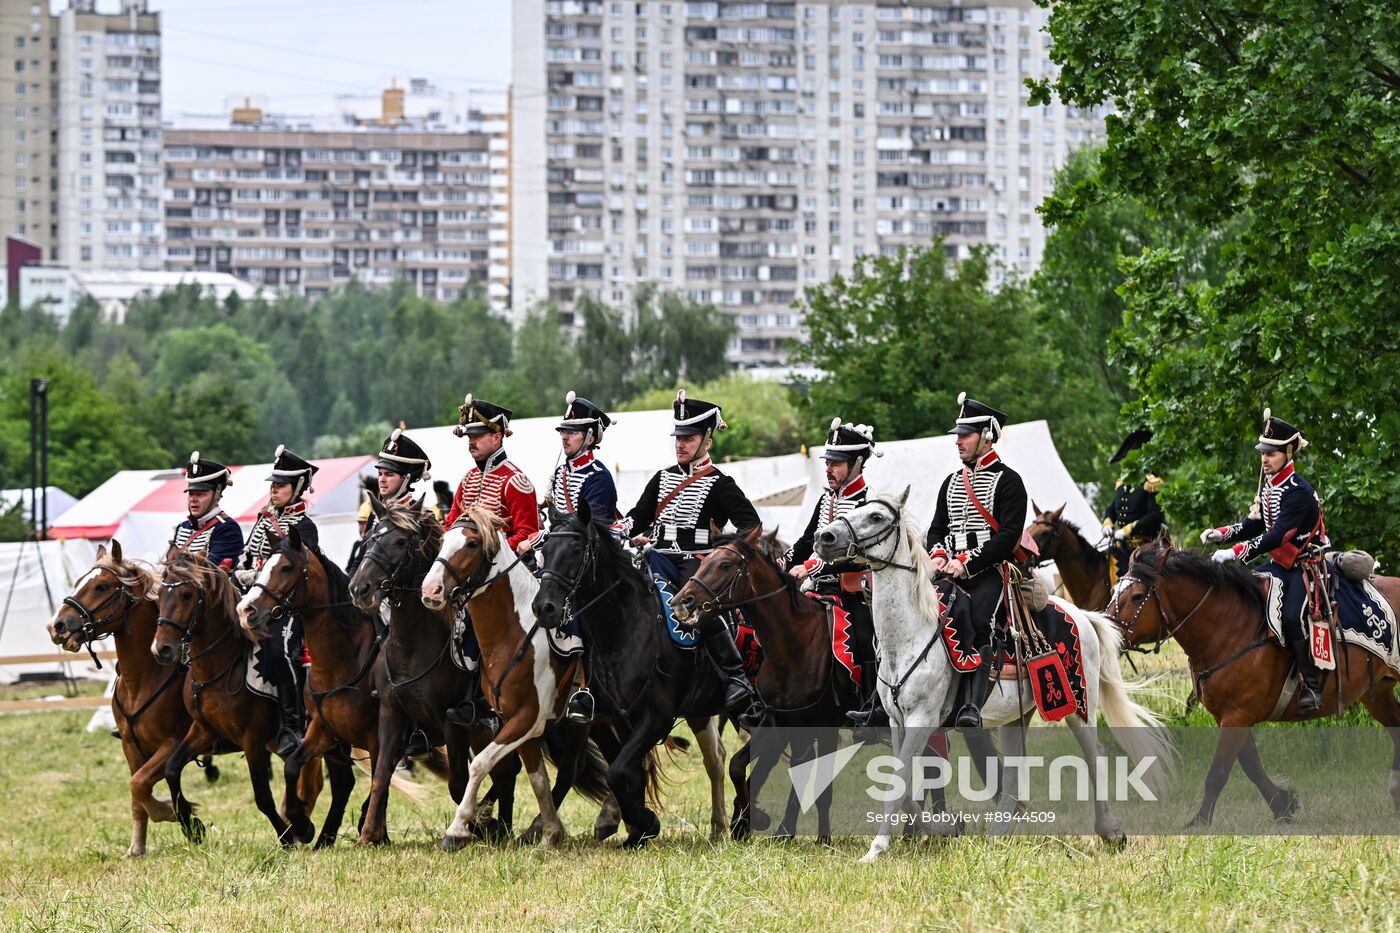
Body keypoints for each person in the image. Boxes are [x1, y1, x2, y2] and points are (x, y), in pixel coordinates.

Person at [620, 390, 761, 719]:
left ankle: (736, 676)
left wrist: (719, 551)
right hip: (656, 557)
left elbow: (750, 524)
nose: (680, 444)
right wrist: (617, 528)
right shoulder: (662, 477)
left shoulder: (719, 483)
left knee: (700, 604)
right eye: (678, 437)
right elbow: (637, 517)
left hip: (694, 563)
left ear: (707, 440)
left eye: (689, 437)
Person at [1203, 409, 1328, 714]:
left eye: (1271, 453)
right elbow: (1256, 524)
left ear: (1287, 452)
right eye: (1263, 453)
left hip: (1303, 564)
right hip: (1279, 564)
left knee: (1291, 619)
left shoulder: (1298, 491)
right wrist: (1222, 533)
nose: (1264, 459)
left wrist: (1236, 552)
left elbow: (1278, 536)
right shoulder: (1270, 485)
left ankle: (1311, 685)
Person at [923, 393, 1029, 729]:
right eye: (957, 434)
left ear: (987, 435)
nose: (958, 441)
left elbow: (1008, 536)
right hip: (948, 570)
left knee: (979, 618)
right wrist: (939, 555)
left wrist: (967, 563)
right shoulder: (951, 482)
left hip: (989, 571)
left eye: (965, 434)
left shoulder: (1010, 481)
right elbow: (936, 528)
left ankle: (970, 705)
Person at [442, 394, 540, 729]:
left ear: (497, 437)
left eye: (478, 435)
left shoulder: (516, 481)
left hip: (509, 577)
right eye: (468, 436)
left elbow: (528, 533)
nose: (471, 442)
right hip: (472, 579)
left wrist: (491, 555)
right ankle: (472, 699)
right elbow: (451, 526)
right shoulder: (467, 481)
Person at [784, 418, 879, 703]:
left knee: (865, 637)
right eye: (828, 462)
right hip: (819, 588)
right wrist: (782, 562)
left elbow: (859, 556)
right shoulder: (827, 500)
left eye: (836, 463)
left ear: (857, 464)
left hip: (855, 592)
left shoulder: (868, 501)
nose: (828, 468)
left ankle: (872, 706)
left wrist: (814, 566)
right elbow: (805, 542)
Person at [236, 445, 320, 758]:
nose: (274, 490)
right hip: (255, 598)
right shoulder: (263, 521)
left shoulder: (304, 527)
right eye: (273, 484)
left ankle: (291, 725)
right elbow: (246, 559)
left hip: (287, 607)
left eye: (281, 485)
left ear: (297, 488)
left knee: (280, 651)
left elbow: (300, 574)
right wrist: (242, 578)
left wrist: (254, 579)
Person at [548, 392, 619, 724]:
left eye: (572, 431)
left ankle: (585, 686)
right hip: (559, 556)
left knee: (582, 610)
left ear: (590, 437)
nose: (565, 436)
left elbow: (593, 532)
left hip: (590, 564)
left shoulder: (599, 477)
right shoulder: (561, 473)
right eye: (564, 430)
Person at [347, 427, 434, 576]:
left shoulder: (424, 516)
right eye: (380, 473)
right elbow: (361, 558)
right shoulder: (376, 515)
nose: (382, 479)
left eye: (389, 474)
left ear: (406, 478)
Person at [1101, 429, 1166, 584]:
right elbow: (1111, 509)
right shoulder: (1122, 485)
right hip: (1121, 546)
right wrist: (1107, 523)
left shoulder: (1150, 483)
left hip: (1145, 547)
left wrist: (1127, 530)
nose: (1123, 465)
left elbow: (1155, 515)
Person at [169, 451, 243, 569]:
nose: (193, 499)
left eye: (200, 494)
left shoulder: (227, 529)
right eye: (191, 494)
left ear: (217, 497)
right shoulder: (183, 527)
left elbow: (209, 574)